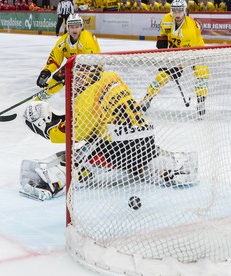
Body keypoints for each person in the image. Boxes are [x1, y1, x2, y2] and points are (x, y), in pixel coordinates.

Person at [20, 69, 198, 201]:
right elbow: (98, 113)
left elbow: (73, 133)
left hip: (115, 149)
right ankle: (171, 166)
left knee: (78, 159)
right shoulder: (111, 76)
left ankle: (50, 180)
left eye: (82, 76)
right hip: (145, 140)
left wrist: (45, 127)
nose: (77, 80)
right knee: (142, 160)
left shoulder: (85, 99)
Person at [139, 0, 208, 116]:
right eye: (174, 11)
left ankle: (201, 100)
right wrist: (163, 45)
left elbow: (185, 55)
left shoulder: (189, 29)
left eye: (180, 11)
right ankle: (147, 99)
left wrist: (177, 67)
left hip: (196, 50)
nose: (177, 14)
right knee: (161, 76)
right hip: (177, 51)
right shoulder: (167, 19)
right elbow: (164, 37)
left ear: (185, 11)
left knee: (202, 74)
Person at [35, 14, 100, 101]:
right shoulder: (63, 41)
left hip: (93, 68)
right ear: (67, 28)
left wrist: (75, 74)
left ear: (81, 27)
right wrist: (46, 71)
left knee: (80, 88)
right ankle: (38, 103)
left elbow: (90, 60)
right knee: (56, 79)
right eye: (72, 27)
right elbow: (54, 59)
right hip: (73, 66)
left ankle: (82, 110)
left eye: (77, 27)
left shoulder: (86, 39)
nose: (74, 29)